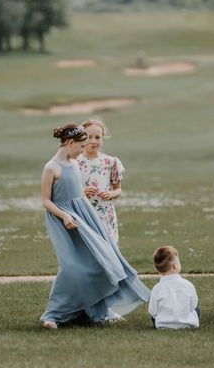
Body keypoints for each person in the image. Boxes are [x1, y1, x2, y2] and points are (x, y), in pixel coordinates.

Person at [39, 123, 150, 329]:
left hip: (84, 217)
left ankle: (91, 312)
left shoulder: (73, 164)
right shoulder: (51, 167)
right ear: (70, 143)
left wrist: (93, 222)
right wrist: (64, 216)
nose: (84, 150)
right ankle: (52, 315)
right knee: (72, 268)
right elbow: (46, 201)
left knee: (101, 263)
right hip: (63, 220)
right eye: (81, 146)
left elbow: (79, 195)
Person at [77, 119, 125, 244]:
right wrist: (83, 193)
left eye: (97, 137)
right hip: (83, 213)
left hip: (105, 214)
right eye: (89, 137)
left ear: (102, 139)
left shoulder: (111, 162)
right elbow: (69, 191)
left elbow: (118, 189)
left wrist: (110, 194)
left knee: (108, 249)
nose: (93, 141)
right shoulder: (74, 162)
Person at [148, 246, 200, 330]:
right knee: (197, 309)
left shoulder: (156, 288)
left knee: (154, 316)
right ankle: (186, 321)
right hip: (188, 324)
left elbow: (153, 312)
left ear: (158, 270)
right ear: (175, 265)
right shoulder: (188, 285)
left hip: (163, 326)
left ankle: (166, 322)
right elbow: (193, 306)